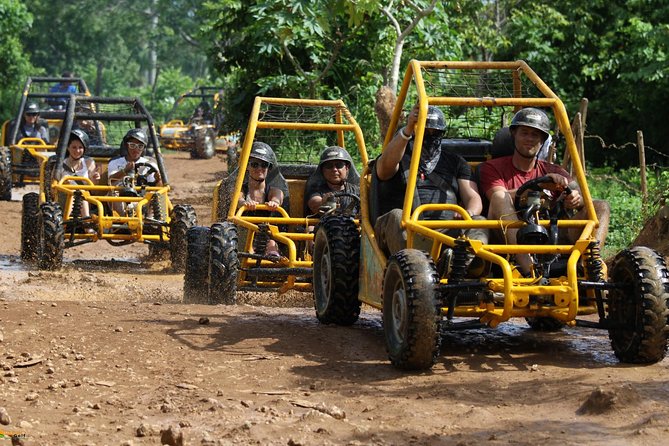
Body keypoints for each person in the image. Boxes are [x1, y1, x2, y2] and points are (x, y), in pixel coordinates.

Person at [478, 107, 610, 275]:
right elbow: (496, 197)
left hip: (550, 233)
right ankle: (530, 271)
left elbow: (582, 196)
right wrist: (538, 186)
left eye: (535, 135)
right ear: (513, 134)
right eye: (524, 133)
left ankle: (593, 265)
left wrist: (575, 198)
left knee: (601, 206)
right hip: (507, 236)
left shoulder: (552, 171)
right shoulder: (492, 167)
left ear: (542, 140)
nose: (529, 139)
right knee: (499, 196)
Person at [373, 104, 489, 260]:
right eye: (424, 131)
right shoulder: (399, 155)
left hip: (445, 231)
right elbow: (383, 169)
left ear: (442, 134)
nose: (429, 135)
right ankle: (415, 263)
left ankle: (465, 264)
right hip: (406, 228)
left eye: (435, 132)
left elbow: (473, 197)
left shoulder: (455, 162)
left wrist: (469, 212)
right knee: (396, 215)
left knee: (479, 222)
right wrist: (407, 130)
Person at [237, 142, 284, 259]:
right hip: (243, 233)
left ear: (269, 168)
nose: (260, 168)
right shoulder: (241, 188)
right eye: (254, 165)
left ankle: (272, 262)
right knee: (246, 246)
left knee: (272, 244)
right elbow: (238, 199)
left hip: (266, 235)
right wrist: (244, 203)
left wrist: (274, 203)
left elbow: (278, 197)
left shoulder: (273, 190)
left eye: (264, 165)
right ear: (247, 166)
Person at [57, 129, 100, 222]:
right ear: (68, 148)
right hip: (64, 198)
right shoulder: (60, 164)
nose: (77, 150)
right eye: (74, 147)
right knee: (76, 193)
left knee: (80, 194)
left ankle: (85, 225)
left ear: (84, 149)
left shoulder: (88, 162)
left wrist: (95, 178)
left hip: (85, 198)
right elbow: (54, 187)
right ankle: (64, 224)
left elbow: (93, 187)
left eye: (80, 147)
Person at [305, 146, 360, 216]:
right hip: (323, 225)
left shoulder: (357, 191)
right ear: (322, 170)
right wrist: (323, 202)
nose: (334, 169)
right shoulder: (316, 189)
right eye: (329, 166)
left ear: (347, 168)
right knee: (310, 227)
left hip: (351, 225)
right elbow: (314, 203)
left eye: (339, 165)